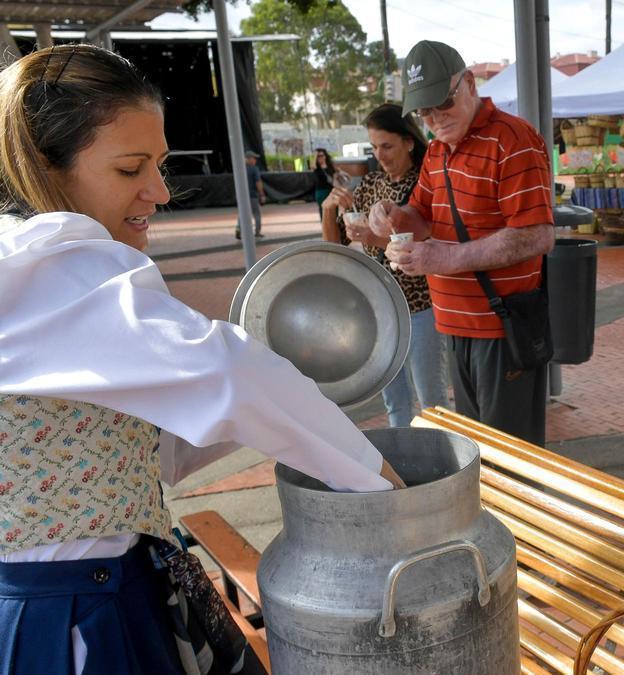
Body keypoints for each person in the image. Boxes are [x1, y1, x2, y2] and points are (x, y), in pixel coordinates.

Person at [0, 45, 403, 675]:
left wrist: (266, 406)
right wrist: (384, 486)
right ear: (46, 168)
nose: (158, 191)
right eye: (131, 168)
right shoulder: (62, 266)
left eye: (159, 164)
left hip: (74, 591)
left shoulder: (23, 263)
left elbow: (129, 449)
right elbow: (228, 373)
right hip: (78, 614)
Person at [371, 40, 554, 446]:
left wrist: (448, 257)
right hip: (455, 325)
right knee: (480, 452)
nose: (435, 118)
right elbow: (419, 215)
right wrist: (390, 216)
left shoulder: (513, 140)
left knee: (512, 459)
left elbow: (537, 235)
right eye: (424, 111)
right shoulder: (437, 151)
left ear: (469, 83)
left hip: (501, 327)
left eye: (443, 103)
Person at [321, 104, 449, 428]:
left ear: (409, 141)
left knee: (432, 400)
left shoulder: (427, 182)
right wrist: (329, 210)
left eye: (387, 146)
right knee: (395, 400)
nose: (380, 154)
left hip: (422, 306)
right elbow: (335, 248)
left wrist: (375, 239)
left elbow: (425, 243)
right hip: (382, 308)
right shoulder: (370, 185)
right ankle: (404, 462)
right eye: (375, 147)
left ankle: (446, 464)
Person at [236, 149, 265, 239]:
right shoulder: (254, 169)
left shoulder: (240, 168)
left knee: (242, 213)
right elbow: (258, 182)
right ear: (248, 159)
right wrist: (262, 194)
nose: (255, 160)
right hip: (252, 195)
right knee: (256, 213)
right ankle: (257, 231)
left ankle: (238, 230)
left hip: (241, 196)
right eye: (254, 158)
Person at [312, 147, 335, 218]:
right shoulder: (316, 168)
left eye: (322, 155)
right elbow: (312, 166)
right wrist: (315, 155)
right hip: (321, 192)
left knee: (333, 209)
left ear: (325, 156)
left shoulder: (330, 166)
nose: (320, 158)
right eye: (318, 156)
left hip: (331, 190)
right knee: (323, 210)